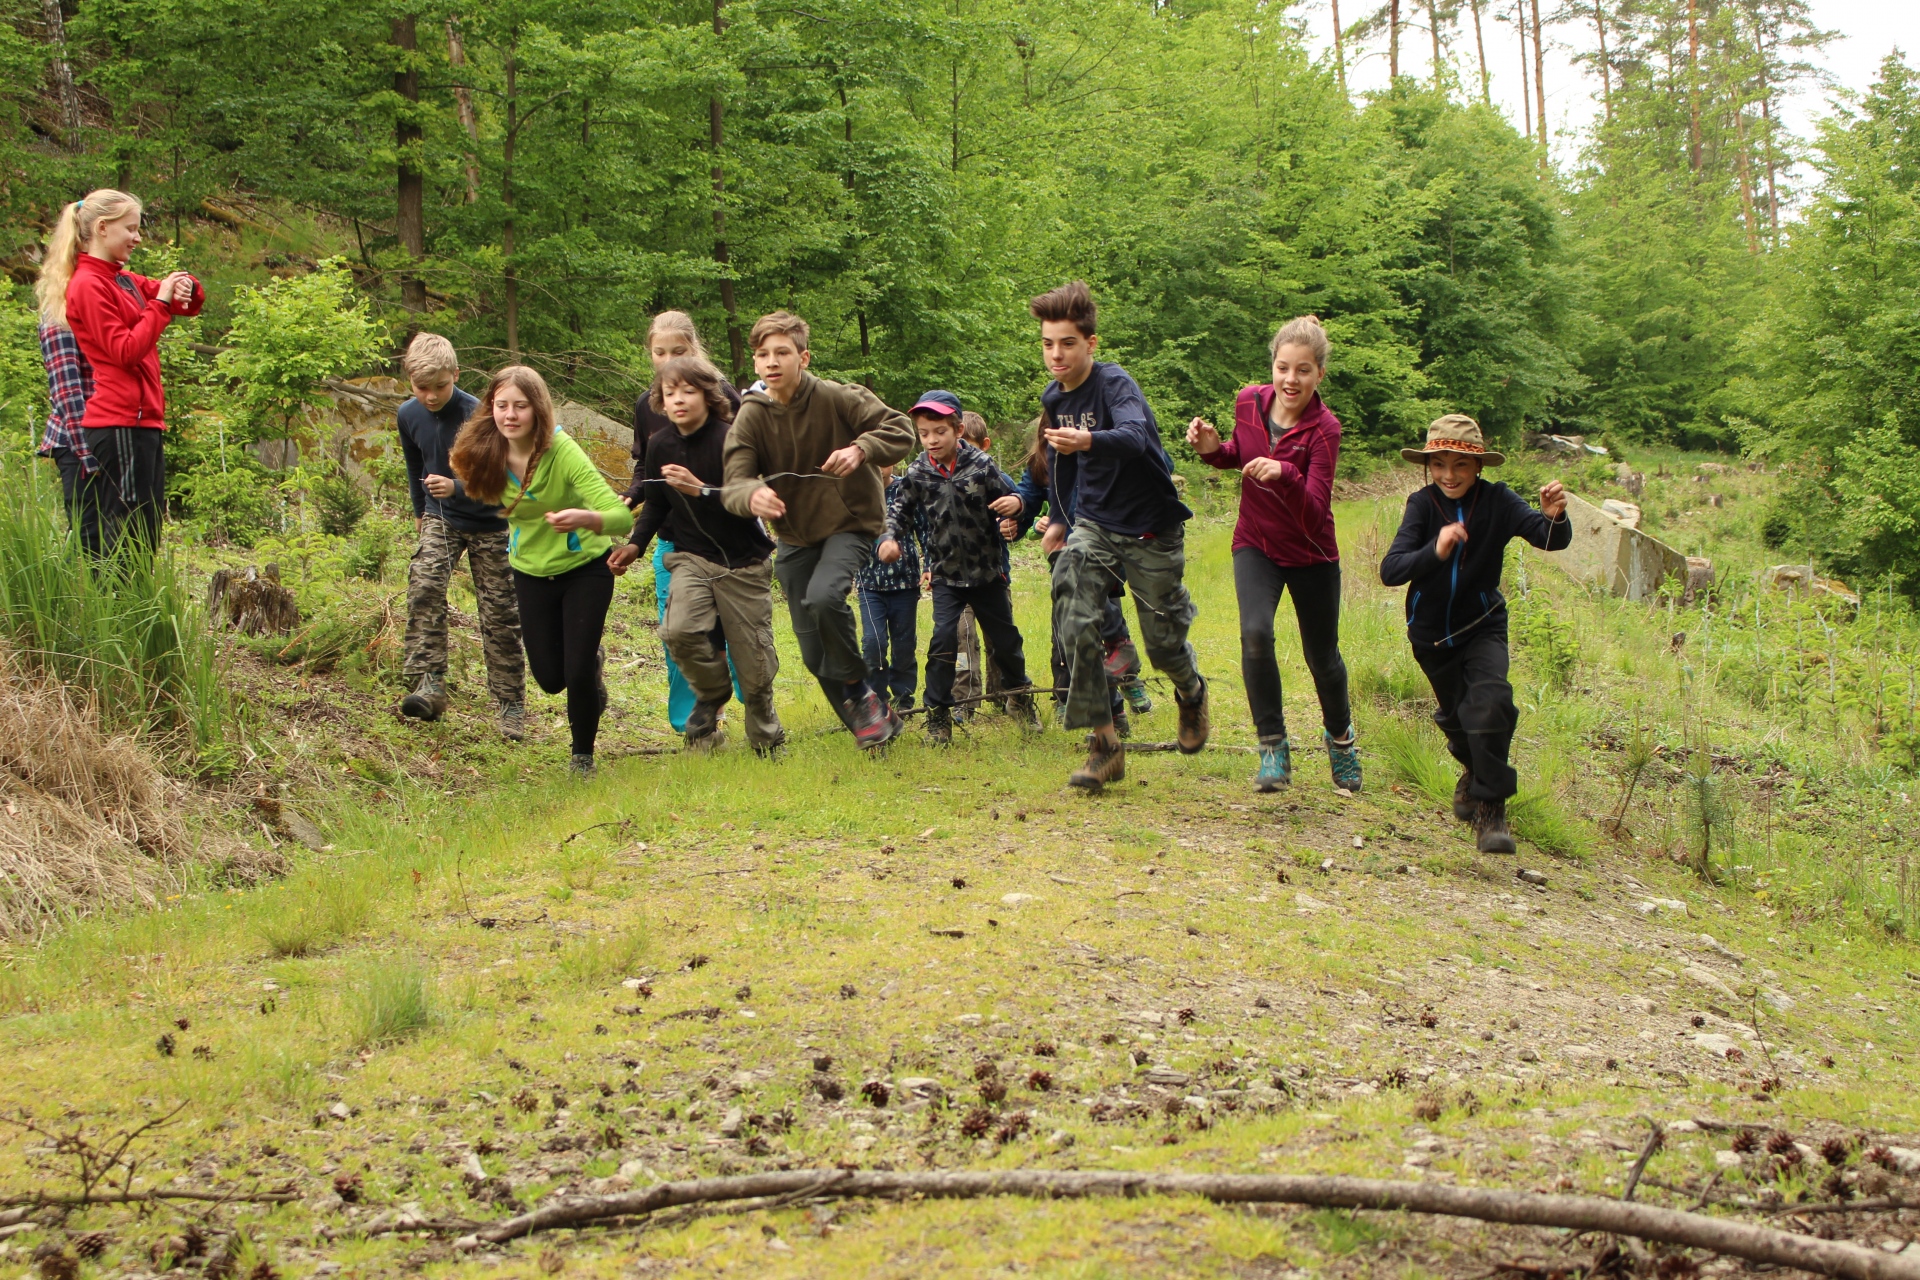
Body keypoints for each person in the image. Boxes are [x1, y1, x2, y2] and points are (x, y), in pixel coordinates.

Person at [1031, 281, 1207, 792]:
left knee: (1163, 645)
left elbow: (1134, 437)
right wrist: (1060, 518)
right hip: (1096, 524)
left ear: (1090, 343)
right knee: (1071, 608)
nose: (1056, 354)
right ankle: (1105, 744)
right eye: (1047, 344)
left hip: (1151, 527)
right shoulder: (1054, 397)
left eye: (1067, 343)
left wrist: (1087, 439)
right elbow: (1061, 463)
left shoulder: (1115, 385)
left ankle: (1191, 691)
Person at [720, 311, 917, 748]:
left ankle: (858, 691)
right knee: (813, 652)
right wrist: (752, 495)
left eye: (782, 352)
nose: (772, 362)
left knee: (825, 597)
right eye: (763, 355)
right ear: (755, 362)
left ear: (803, 357)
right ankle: (873, 724)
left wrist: (861, 449)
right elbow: (733, 481)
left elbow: (901, 430)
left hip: (851, 522)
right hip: (795, 536)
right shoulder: (751, 416)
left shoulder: (837, 397)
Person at [1380, 415, 1570, 853]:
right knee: (1459, 721)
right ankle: (1471, 771)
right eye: (1439, 464)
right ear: (1428, 466)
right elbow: (1391, 570)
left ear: (1479, 466)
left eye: (1460, 465)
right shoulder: (1422, 505)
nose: (1449, 475)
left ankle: (1491, 813)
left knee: (1492, 704)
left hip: (1483, 624)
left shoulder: (1499, 500)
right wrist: (1436, 549)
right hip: (1431, 637)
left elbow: (1549, 538)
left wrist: (1554, 517)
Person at [1188, 315, 1359, 794]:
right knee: (1256, 634)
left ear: (1319, 374)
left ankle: (1341, 740)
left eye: (1303, 370)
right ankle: (1272, 747)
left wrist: (1286, 473)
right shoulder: (1248, 401)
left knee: (1322, 657)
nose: (1291, 379)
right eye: (1283, 367)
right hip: (1256, 542)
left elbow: (1316, 511)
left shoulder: (1324, 429)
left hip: (1311, 552)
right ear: (1272, 367)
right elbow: (1240, 456)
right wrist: (1212, 450)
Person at [450, 366, 634, 778]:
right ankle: (590, 666)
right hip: (530, 571)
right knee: (551, 679)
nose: (510, 415)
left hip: (584, 568)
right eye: (501, 406)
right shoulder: (485, 450)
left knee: (576, 670)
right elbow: (470, 490)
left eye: (520, 406)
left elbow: (621, 517)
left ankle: (582, 757)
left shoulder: (561, 451)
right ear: (490, 408)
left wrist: (586, 518)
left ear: (538, 409)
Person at [610, 356, 784, 756]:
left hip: (743, 562)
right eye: (669, 393)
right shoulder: (660, 444)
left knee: (754, 663)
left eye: (688, 391)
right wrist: (636, 544)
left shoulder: (731, 440)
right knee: (678, 630)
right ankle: (712, 692)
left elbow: (747, 502)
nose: (678, 400)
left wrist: (699, 489)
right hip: (691, 557)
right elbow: (656, 502)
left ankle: (767, 738)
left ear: (708, 396)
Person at [43, 189, 203, 559]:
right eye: (130, 229)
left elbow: (184, 302)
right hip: (120, 422)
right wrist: (160, 304)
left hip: (143, 421)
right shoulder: (88, 284)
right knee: (126, 538)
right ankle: (119, 598)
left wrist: (185, 285)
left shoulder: (122, 280)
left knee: (145, 531)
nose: (137, 237)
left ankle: (136, 596)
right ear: (102, 228)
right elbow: (125, 351)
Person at [878, 391, 1038, 744]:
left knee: (1006, 642)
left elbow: (1016, 499)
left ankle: (1020, 697)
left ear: (958, 430)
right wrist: (888, 538)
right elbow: (898, 512)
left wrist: (1014, 513)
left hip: (987, 573)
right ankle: (938, 716)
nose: (932, 440)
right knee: (943, 641)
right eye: (924, 433)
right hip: (946, 576)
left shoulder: (981, 465)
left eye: (940, 432)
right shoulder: (918, 472)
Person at [395, 333, 527, 739]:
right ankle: (428, 684)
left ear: (455, 374)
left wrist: (455, 485)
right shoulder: (408, 415)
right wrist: (420, 512)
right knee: (424, 585)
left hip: (491, 520)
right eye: (421, 387)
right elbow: (415, 464)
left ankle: (510, 706)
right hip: (442, 517)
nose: (431, 396)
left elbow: (503, 477)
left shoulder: (481, 415)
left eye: (439, 386)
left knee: (500, 614)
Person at [623, 312, 744, 733]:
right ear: (650, 354)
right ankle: (692, 725)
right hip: (672, 537)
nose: (669, 359)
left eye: (679, 350)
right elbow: (646, 467)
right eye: (660, 352)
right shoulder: (647, 405)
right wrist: (633, 495)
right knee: (678, 631)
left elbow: (746, 466)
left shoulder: (724, 397)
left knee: (734, 632)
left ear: (695, 349)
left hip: (728, 538)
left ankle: (754, 705)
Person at [998, 419, 1145, 737]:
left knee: (1097, 628)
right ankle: (1113, 712)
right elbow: (1028, 498)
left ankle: (1123, 670)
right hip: (1064, 561)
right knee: (1078, 641)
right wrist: (1016, 517)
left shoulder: (1103, 454)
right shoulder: (1042, 463)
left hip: (1104, 557)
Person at [33, 298, 101, 554]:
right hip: (76, 441)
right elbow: (66, 390)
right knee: (87, 538)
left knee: (114, 534)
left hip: (105, 436)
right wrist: (87, 452)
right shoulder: (58, 314)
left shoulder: (98, 306)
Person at [855, 461, 925, 712]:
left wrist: (930, 565)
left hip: (905, 581)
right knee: (873, 643)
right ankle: (876, 700)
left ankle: (903, 700)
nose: (878, 467)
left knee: (904, 645)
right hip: (868, 582)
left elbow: (924, 529)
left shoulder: (906, 489)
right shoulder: (857, 493)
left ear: (893, 461)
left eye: (883, 461)